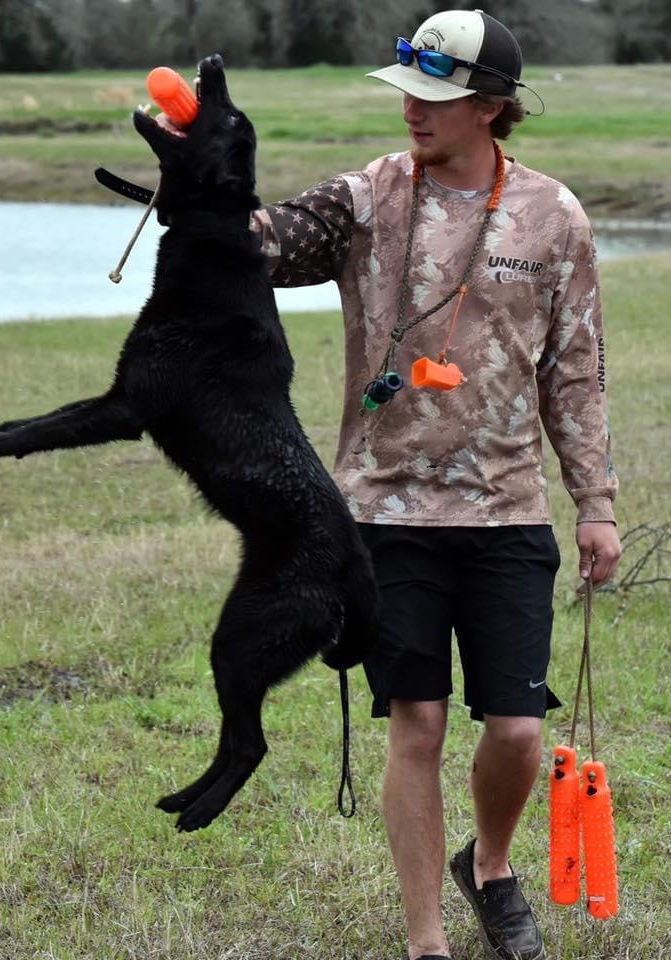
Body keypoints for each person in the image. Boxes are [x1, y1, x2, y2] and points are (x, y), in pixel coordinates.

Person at [251, 10, 621, 960]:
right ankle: (428, 943)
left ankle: (489, 864)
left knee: (517, 731)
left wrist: (597, 503)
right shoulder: (370, 195)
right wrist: (199, 191)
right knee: (414, 723)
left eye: (439, 95)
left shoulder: (554, 216)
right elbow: (269, 239)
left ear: (493, 108)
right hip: (383, 511)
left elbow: (573, 370)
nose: (414, 109)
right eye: (408, 89)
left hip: (507, 513)